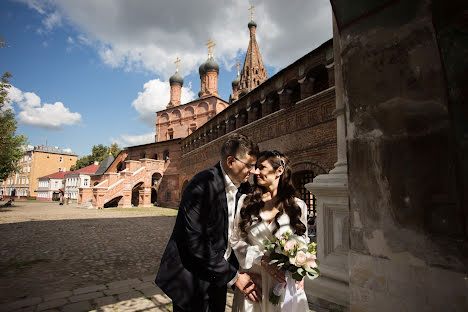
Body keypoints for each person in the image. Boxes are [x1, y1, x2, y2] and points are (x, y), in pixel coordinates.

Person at [156, 133, 262, 312]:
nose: (252, 171)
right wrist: (235, 277)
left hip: (218, 277)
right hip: (190, 277)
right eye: (249, 165)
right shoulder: (201, 185)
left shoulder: (244, 188)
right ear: (230, 161)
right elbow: (196, 243)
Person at [230, 150, 309, 312]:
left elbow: (304, 241)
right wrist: (261, 260)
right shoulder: (245, 202)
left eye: (261, 167)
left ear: (279, 171)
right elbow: (235, 240)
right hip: (255, 282)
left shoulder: (298, 206)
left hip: (285, 283)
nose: (255, 172)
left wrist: (301, 269)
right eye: (255, 167)